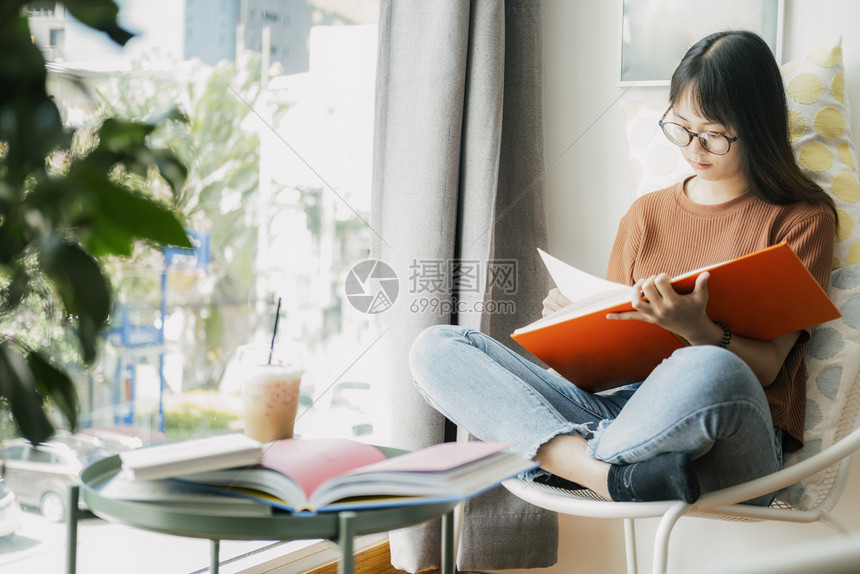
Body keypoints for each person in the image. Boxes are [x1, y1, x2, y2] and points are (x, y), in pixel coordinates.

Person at [408, 30, 837, 504]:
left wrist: (698, 330)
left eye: (713, 135)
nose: (693, 149)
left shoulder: (802, 218)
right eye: (680, 127)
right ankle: (604, 474)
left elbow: (771, 368)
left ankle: (565, 458)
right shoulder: (645, 214)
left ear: (756, 126)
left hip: (727, 438)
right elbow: (607, 368)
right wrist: (575, 327)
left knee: (709, 366)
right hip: (617, 415)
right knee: (435, 347)